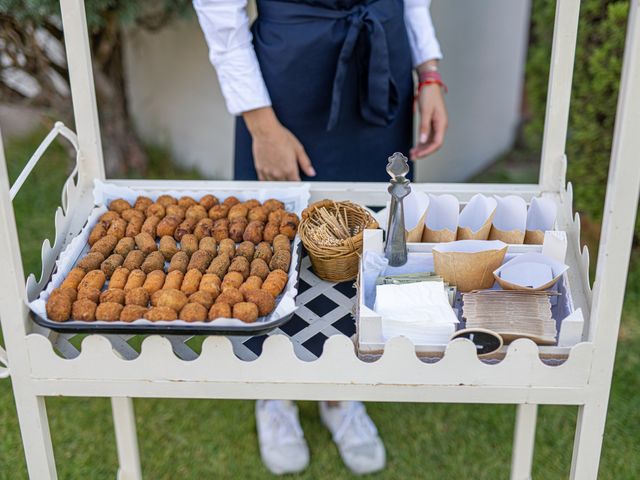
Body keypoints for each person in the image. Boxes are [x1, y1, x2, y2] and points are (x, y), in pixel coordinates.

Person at [194, 0, 447, 475]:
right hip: (290, 79)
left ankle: (341, 391)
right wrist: (262, 126)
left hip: (382, 60)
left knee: (363, 239)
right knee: (271, 243)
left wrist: (428, 72)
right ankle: (274, 391)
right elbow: (219, 13)